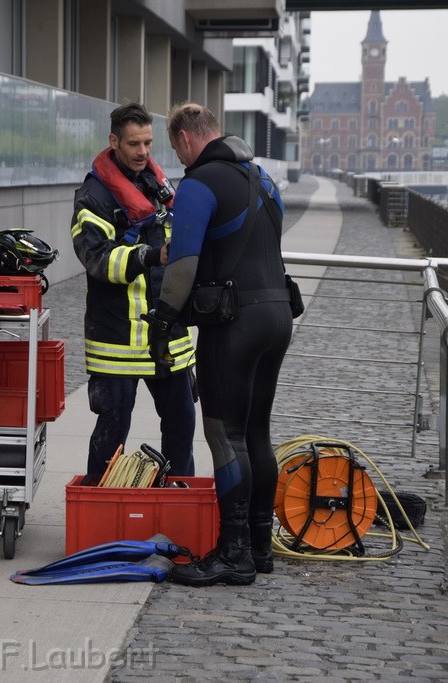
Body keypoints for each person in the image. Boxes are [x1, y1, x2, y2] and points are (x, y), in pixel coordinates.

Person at [145, 103, 292, 587]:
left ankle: (233, 555)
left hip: (234, 325)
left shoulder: (198, 184)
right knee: (256, 432)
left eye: (175, 148)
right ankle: (259, 546)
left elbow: (183, 264)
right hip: (277, 317)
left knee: (223, 434)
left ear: (186, 139)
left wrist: (165, 318)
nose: (179, 158)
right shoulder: (264, 180)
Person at [70, 102, 197, 480]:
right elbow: (95, 259)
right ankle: (97, 514)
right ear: (114, 141)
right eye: (133, 144)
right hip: (117, 341)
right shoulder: (93, 196)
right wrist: (149, 255)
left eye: (148, 143)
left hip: (168, 338)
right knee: (111, 438)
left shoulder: (158, 187)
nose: (143, 152)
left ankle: (178, 505)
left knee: (182, 430)